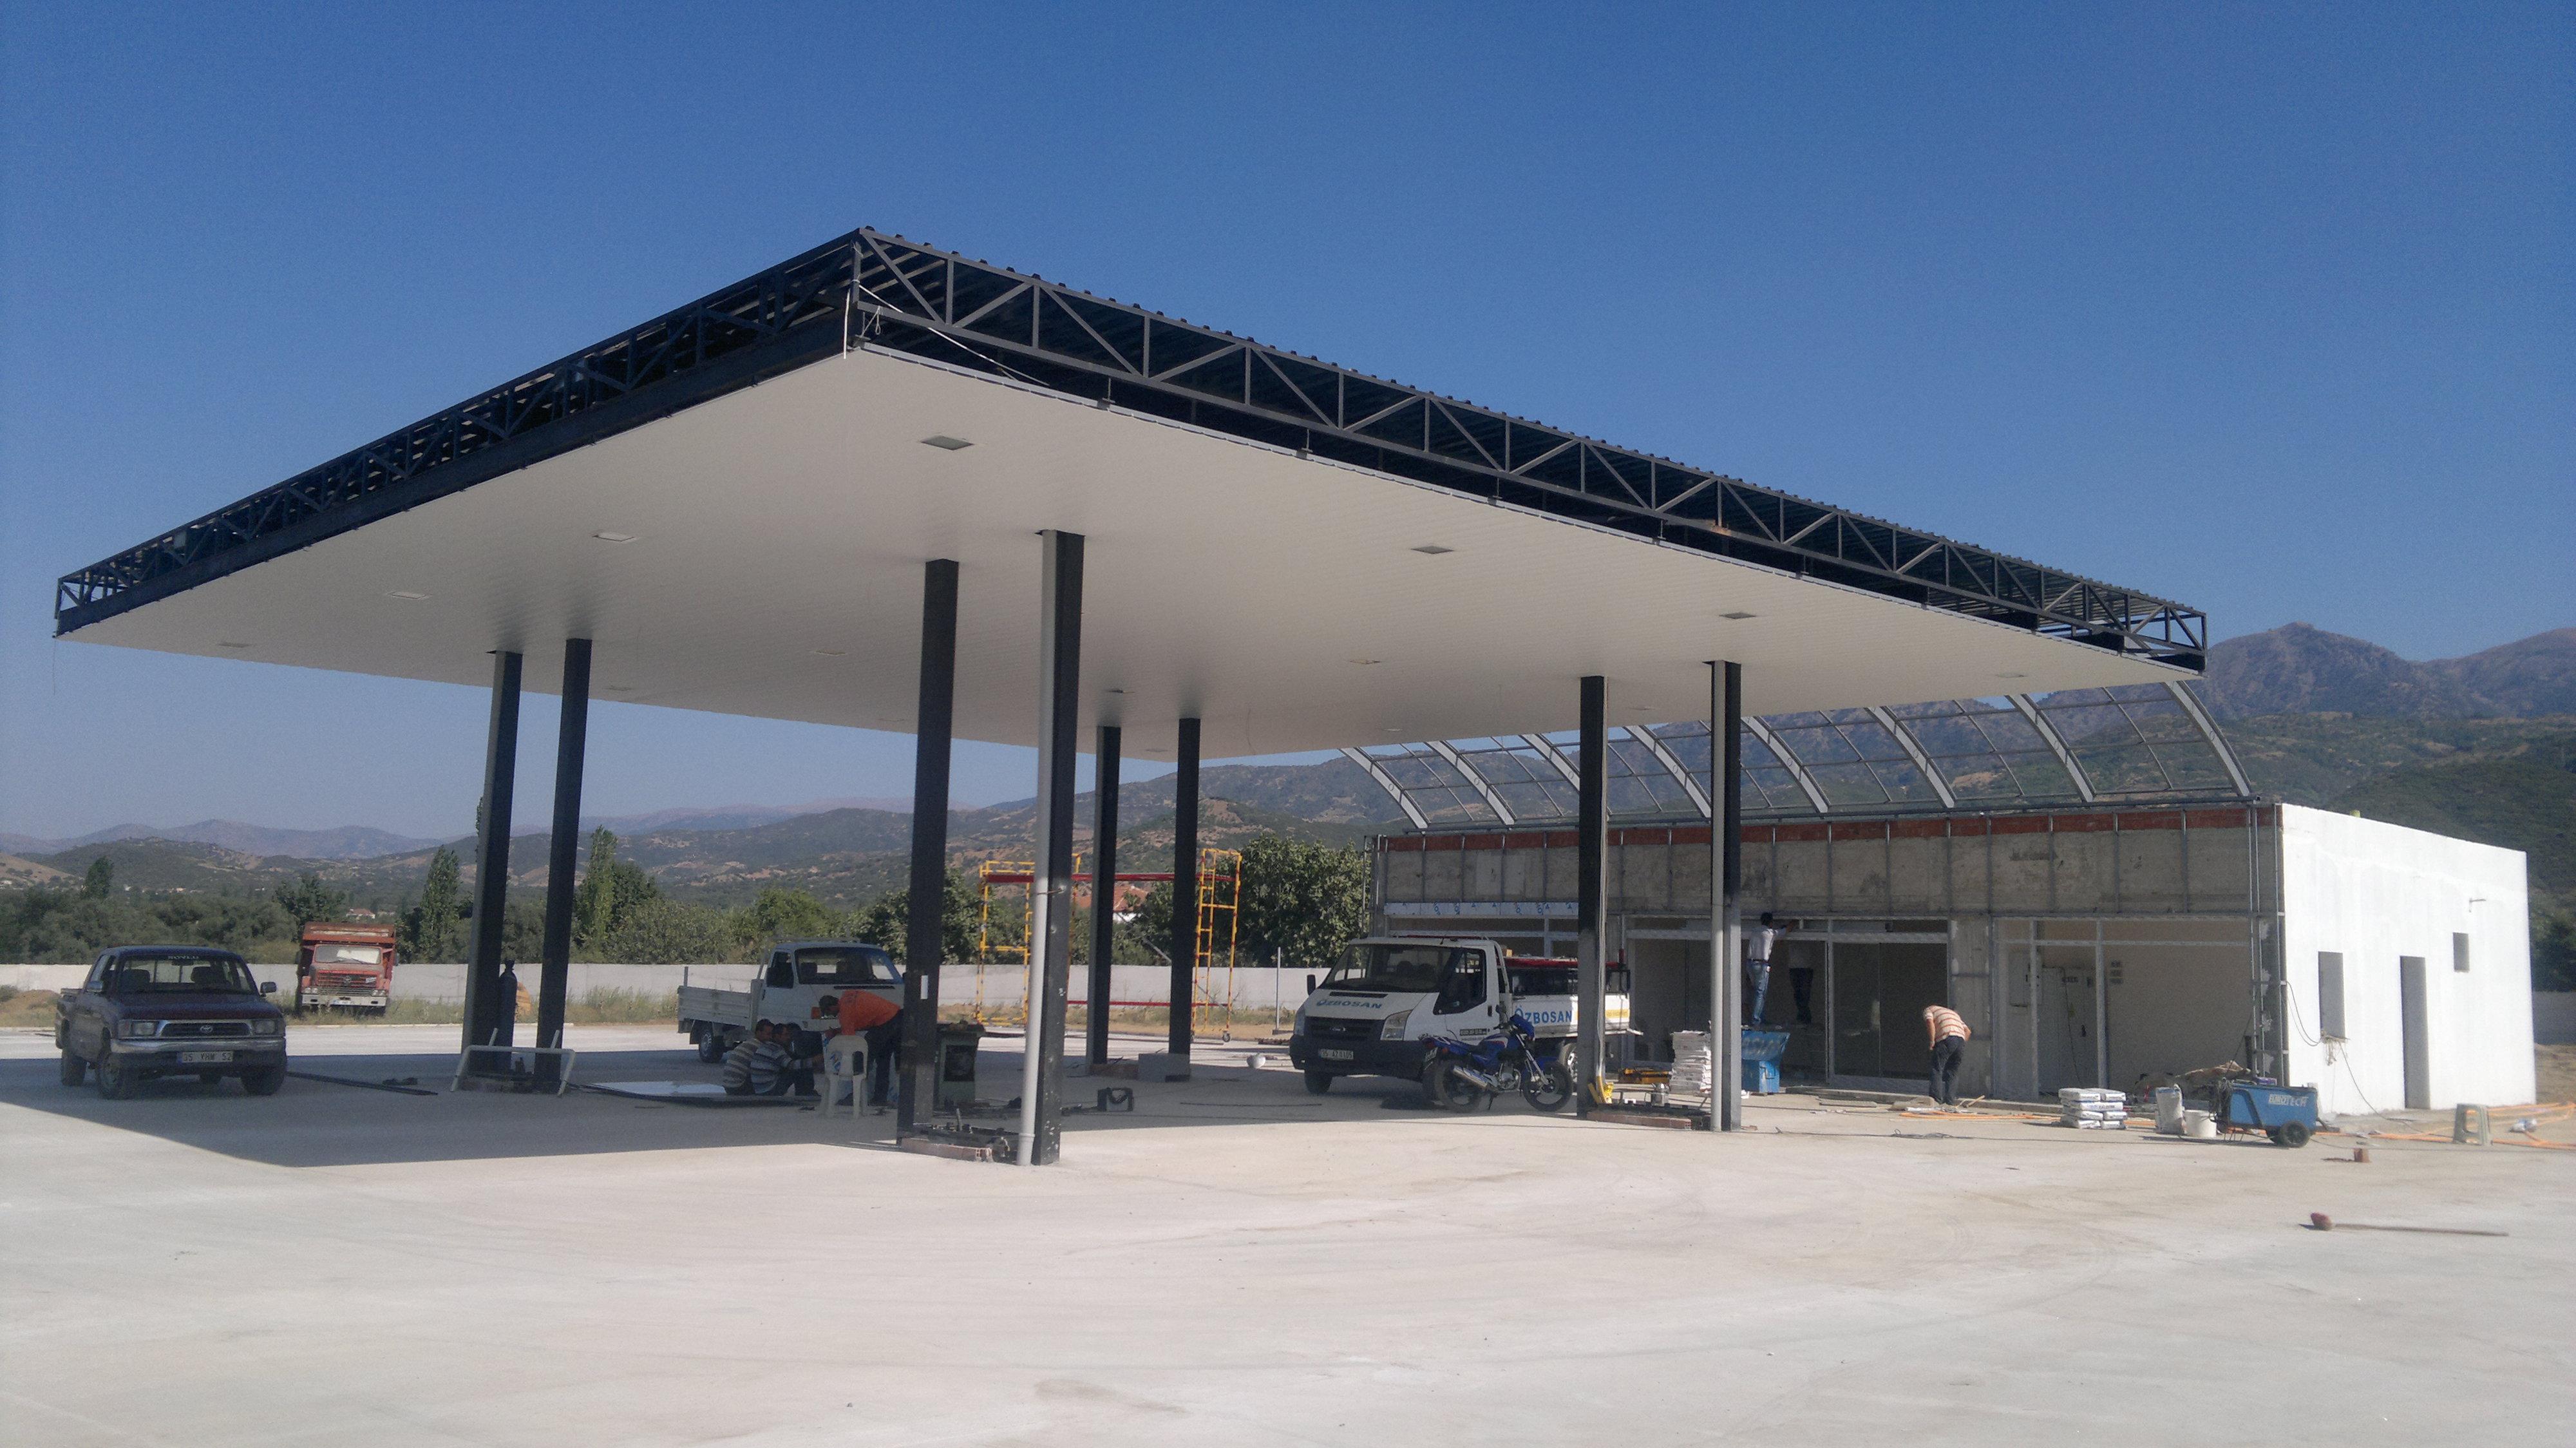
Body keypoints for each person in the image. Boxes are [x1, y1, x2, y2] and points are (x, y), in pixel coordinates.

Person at [826, 989, 905, 1109]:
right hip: (896, 1016)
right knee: (883, 1061)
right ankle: (880, 1098)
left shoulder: (845, 1014)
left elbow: (850, 1041)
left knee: (861, 1057)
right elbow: (860, 1019)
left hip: (884, 1023)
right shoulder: (848, 995)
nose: (831, 1015)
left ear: (832, 1007)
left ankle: (856, 1096)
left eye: (829, 1012)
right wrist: (839, 1030)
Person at [1924, 1004, 1970, 1105]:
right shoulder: (1953, 1014)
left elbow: (1929, 1022)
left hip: (1947, 1038)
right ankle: (1950, 1102)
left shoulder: (1929, 1010)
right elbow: (1968, 1031)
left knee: (1937, 1068)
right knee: (1952, 1072)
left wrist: (1932, 1041)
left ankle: (1936, 1100)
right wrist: (1960, 1045)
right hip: (1960, 1040)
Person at [1742, 912, 1779, 1024]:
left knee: (1756, 991)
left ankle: (1759, 1017)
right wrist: (1793, 923)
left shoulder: (1754, 931)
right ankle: (1756, 1020)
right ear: (1771, 923)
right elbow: (1785, 931)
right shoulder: (1770, 933)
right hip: (1761, 965)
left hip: (1750, 964)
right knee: (1760, 993)